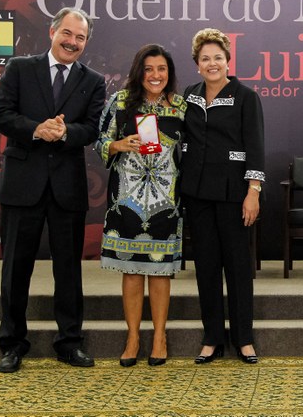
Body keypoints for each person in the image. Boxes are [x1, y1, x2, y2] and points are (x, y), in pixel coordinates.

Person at [0, 7, 106, 373]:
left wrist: (66, 133)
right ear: (52, 31)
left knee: (69, 272)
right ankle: (11, 344)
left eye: (81, 38)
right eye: (68, 34)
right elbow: (0, 114)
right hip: (22, 185)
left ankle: (70, 343)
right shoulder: (20, 68)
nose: (73, 42)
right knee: (15, 271)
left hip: (67, 189)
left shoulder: (94, 80)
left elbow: (92, 128)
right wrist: (36, 129)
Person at [95, 44, 186, 367]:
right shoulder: (120, 102)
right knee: (132, 271)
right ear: (139, 71)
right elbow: (100, 140)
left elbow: (189, 153)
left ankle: (159, 336)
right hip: (127, 199)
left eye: (161, 69)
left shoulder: (180, 107)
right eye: (149, 69)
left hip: (166, 200)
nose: (155, 75)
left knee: (161, 271)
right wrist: (118, 144)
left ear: (169, 73)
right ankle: (132, 336)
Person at [181, 28, 264, 365]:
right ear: (197, 64)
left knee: (238, 268)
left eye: (218, 57)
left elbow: (256, 147)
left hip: (234, 195)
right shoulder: (188, 95)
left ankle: (243, 338)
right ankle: (212, 337)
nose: (212, 63)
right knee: (206, 267)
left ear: (228, 61)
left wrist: (253, 193)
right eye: (205, 58)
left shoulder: (245, 96)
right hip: (197, 194)